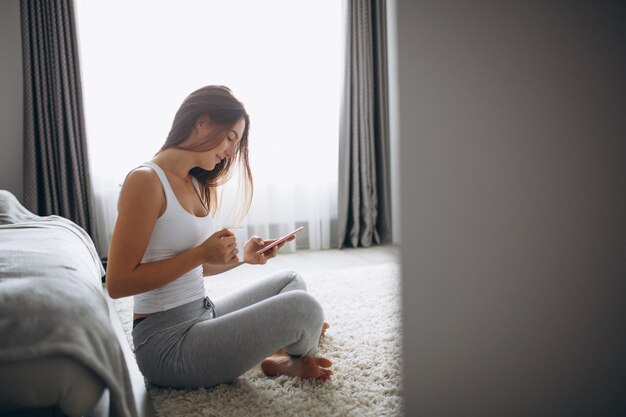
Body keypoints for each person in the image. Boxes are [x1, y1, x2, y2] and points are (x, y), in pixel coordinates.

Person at [105, 85, 332, 389]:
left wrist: (244, 258)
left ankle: (281, 353)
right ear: (202, 122)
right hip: (167, 347)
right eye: (230, 138)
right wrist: (199, 254)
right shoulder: (145, 182)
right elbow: (118, 284)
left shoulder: (196, 183)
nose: (231, 153)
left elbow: (196, 266)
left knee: (291, 281)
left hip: (203, 313)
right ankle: (295, 352)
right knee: (304, 309)